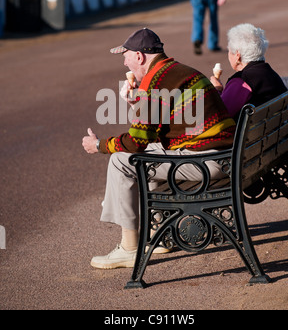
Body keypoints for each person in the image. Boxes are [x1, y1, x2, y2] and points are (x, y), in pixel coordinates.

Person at [82, 27, 236, 269]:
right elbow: (154, 133)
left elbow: (135, 142)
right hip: (223, 156)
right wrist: (137, 103)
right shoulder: (180, 71)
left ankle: (130, 247)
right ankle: (159, 233)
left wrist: (99, 145)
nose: (124, 61)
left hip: (206, 163)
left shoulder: (157, 82)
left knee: (121, 160)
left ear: (140, 56)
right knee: (147, 158)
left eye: (126, 55)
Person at [210, 23, 287, 121]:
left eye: (229, 51)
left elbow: (220, 116)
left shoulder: (242, 81)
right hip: (275, 132)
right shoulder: (269, 72)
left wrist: (216, 90)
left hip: (253, 135)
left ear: (238, 55)